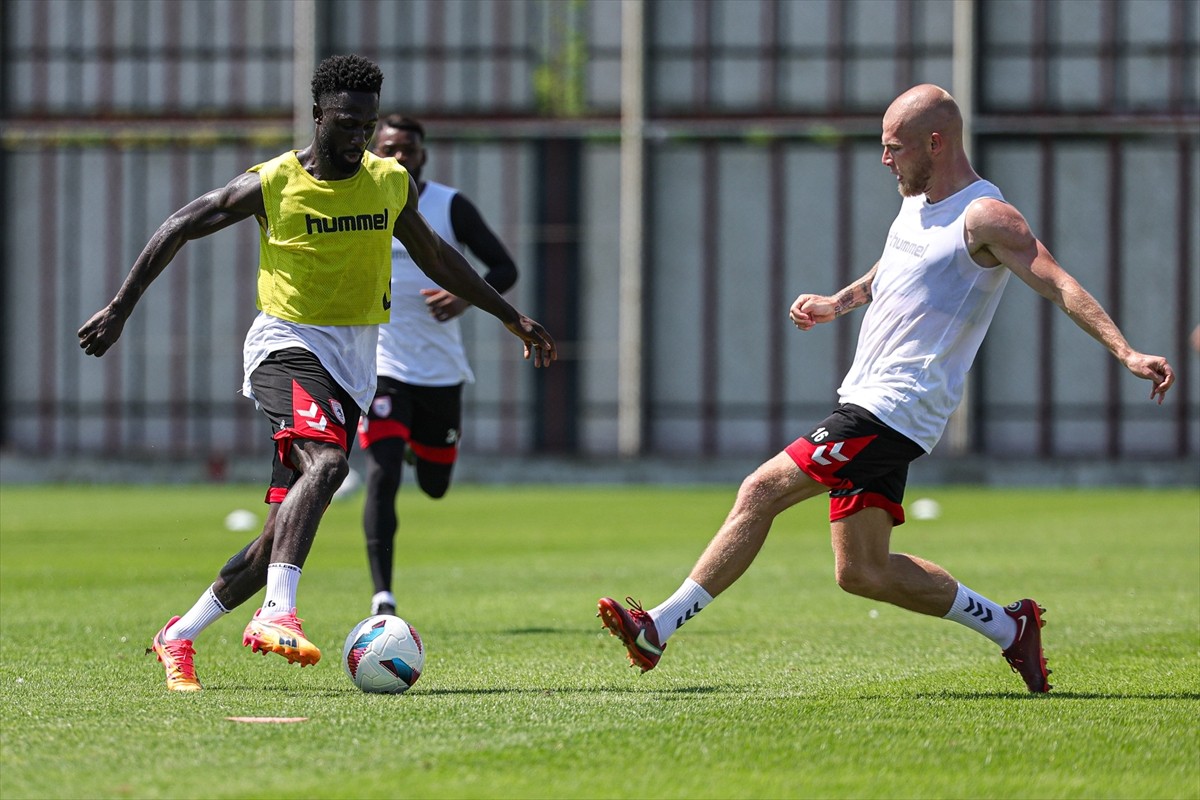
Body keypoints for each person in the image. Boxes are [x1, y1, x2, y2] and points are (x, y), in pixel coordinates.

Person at [597, 84, 1175, 694]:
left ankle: (657, 626)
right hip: (866, 399)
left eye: (893, 148)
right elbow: (891, 270)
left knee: (760, 489)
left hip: (896, 408)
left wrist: (1126, 350)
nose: (884, 160)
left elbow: (1058, 282)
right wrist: (836, 302)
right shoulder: (917, 201)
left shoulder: (986, 217)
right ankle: (1011, 628)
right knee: (863, 573)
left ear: (936, 142)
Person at [77, 54, 556, 692]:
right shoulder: (273, 182)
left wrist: (509, 315)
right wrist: (119, 307)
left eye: (367, 124)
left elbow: (438, 256)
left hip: (355, 363)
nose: (358, 136)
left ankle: (179, 636)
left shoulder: (388, 182)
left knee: (276, 533)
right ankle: (279, 612)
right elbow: (183, 224)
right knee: (329, 464)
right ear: (318, 116)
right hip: (286, 342)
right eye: (347, 122)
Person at [357, 115, 520, 616]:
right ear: (373, 151)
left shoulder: (449, 206)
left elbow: (505, 267)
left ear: (422, 155)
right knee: (381, 476)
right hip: (380, 364)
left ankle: (416, 449)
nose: (399, 157)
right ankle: (383, 595)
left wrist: (462, 297)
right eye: (389, 148)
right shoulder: (355, 200)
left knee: (434, 486)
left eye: (408, 149)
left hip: (441, 372)